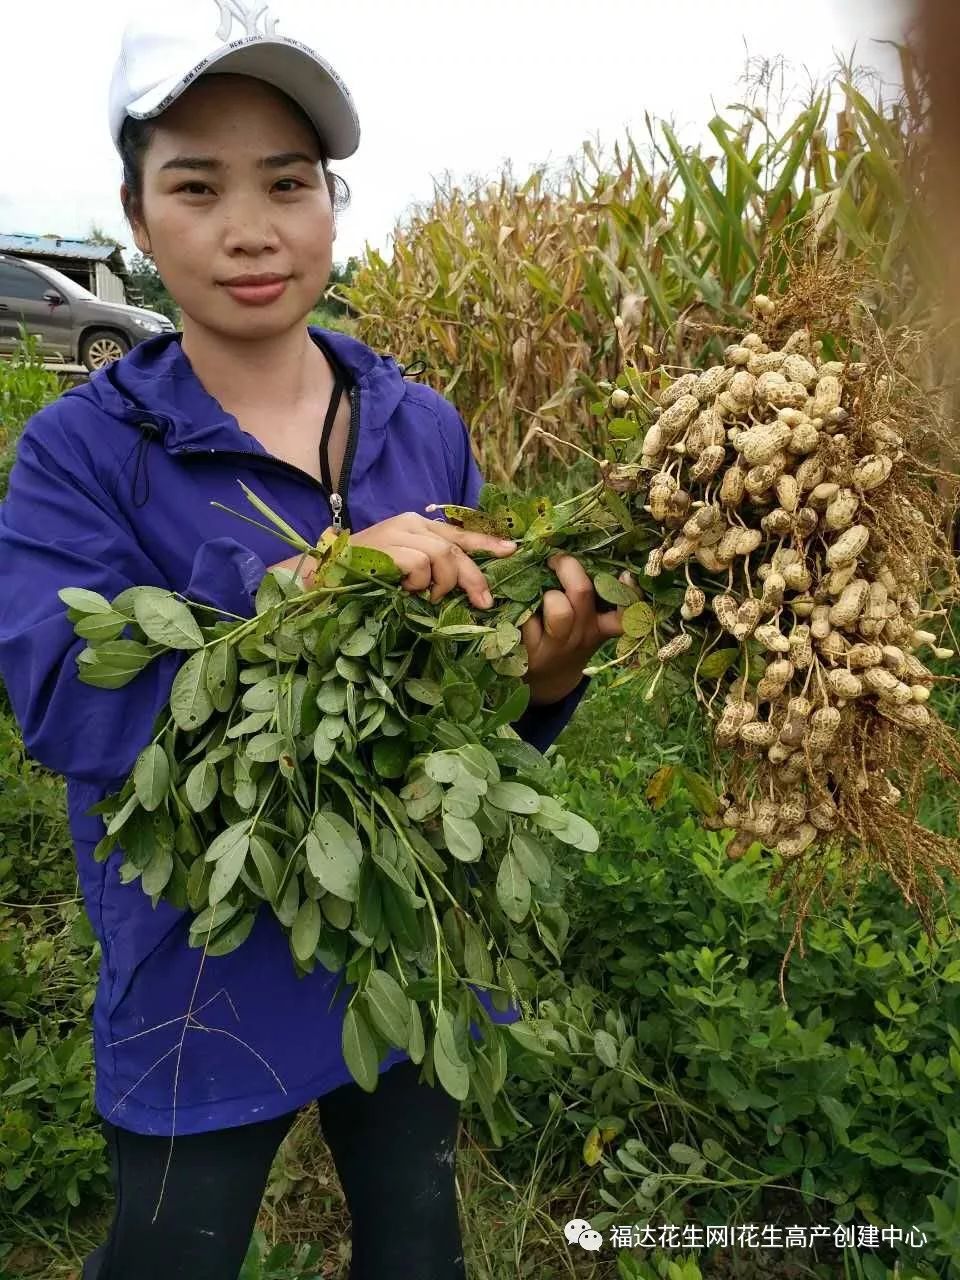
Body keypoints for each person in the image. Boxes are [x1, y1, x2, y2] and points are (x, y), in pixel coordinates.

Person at [0, 2, 631, 1276]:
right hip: (201, 952)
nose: (249, 227)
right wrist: (313, 577)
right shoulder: (79, 453)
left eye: (288, 182)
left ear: (330, 201)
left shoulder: (421, 425)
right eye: (196, 185)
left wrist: (542, 680)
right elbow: (66, 699)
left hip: (410, 931)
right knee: (172, 1246)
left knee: (415, 1231)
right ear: (135, 216)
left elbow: (452, 701)